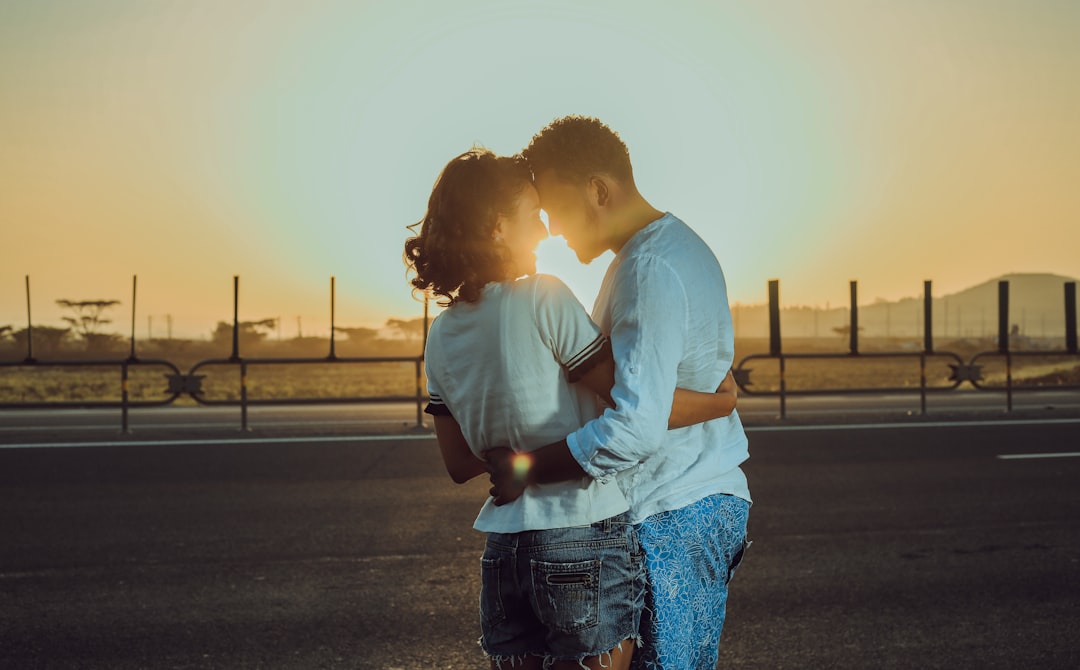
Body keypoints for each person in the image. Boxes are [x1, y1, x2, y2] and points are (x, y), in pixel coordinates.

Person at [403, 148, 737, 670]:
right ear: (495, 227)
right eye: (531, 217)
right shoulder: (545, 298)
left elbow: (460, 463)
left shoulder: (440, 335)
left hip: (504, 551)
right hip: (580, 535)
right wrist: (721, 400)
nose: (542, 231)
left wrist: (511, 457)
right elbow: (633, 402)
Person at [486, 116, 752, 670]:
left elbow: (635, 423)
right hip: (684, 503)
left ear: (599, 190)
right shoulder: (653, 254)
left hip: (675, 507)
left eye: (556, 209)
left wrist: (526, 467)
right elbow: (643, 398)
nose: (554, 229)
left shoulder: (648, 267)